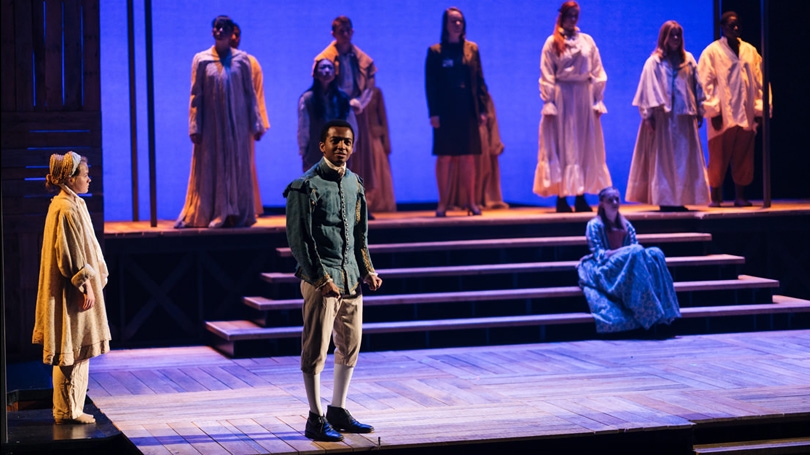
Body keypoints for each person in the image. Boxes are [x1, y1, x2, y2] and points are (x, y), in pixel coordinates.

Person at [284, 120, 383, 442]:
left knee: (350, 345)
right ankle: (314, 417)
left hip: (351, 277)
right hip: (321, 279)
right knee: (316, 348)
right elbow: (300, 240)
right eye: (336, 141)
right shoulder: (305, 185)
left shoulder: (355, 182)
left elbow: (360, 234)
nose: (342, 147)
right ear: (322, 146)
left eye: (347, 142)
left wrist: (368, 270)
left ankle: (337, 409)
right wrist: (320, 278)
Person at [33, 152, 111, 425]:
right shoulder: (64, 208)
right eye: (84, 174)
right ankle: (66, 410)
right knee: (69, 349)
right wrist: (85, 285)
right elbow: (68, 255)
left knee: (78, 349)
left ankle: (73, 408)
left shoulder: (74, 204)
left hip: (78, 289)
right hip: (71, 292)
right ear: (70, 178)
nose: (89, 178)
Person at [175, 15, 266, 228]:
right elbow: (195, 94)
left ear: (231, 32)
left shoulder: (242, 60)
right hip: (212, 126)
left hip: (237, 124)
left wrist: (256, 123)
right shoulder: (202, 59)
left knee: (236, 164)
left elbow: (249, 93)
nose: (220, 31)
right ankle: (212, 212)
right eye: (217, 27)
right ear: (212, 31)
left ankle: (236, 213)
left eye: (224, 28)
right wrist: (194, 126)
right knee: (211, 164)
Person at [533, 1, 611, 213]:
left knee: (583, 145)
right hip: (562, 97)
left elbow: (597, 69)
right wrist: (548, 101)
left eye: (576, 15)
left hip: (583, 97)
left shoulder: (587, 41)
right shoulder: (552, 42)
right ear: (562, 16)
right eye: (569, 15)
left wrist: (597, 98)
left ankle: (580, 195)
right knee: (563, 144)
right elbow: (546, 72)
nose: (573, 19)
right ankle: (561, 197)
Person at [626, 21, 709, 212]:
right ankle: (666, 199)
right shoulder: (654, 62)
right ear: (664, 37)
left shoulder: (688, 60)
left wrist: (699, 110)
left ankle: (681, 198)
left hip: (683, 117)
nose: (675, 39)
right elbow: (647, 91)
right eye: (672, 35)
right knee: (664, 160)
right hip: (663, 118)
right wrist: (647, 116)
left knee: (683, 159)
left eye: (678, 35)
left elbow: (697, 86)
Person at [577, 187, 681, 334]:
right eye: (610, 200)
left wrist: (631, 252)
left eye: (616, 199)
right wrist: (627, 252)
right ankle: (650, 317)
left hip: (629, 264)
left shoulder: (626, 225)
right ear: (601, 203)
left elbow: (634, 248)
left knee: (656, 253)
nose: (614, 202)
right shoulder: (594, 225)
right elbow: (600, 255)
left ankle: (667, 315)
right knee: (636, 251)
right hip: (606, 268)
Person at [697, 11, 768, 207]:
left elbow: (760, 80)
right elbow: (704, 83)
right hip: (724, 114)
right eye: (730, 25)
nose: (735, 28)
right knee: (718, 156)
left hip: (745, 112)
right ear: (722, 27)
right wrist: (714, 111)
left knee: (744, 156)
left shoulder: (750, 51)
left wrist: (759, 110)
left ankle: (740, 196)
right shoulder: (712, 52)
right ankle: (716, 196)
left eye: (737, 25)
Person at [425, 6, 489, 217]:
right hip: (445, 112)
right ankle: (443, 203)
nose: (457, 24)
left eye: (460, 21)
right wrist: (433, 113)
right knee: (444, 157)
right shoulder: (435, 51)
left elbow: (480, 81)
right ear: (445, 24)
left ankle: (471, 202)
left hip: (467, 109)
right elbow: (430, 85)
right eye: (453, 21)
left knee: (468, 157)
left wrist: (482, 109)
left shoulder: (472, 49)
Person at [314, 16, 378, 216]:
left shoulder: (360, 58)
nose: (345, 34)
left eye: (348, 30)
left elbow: (370, 86)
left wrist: (361, 103)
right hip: (333, 113)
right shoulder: (325, 57)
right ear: (333, 33)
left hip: (356, 112)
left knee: (359, 158)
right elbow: (319, 85)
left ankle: (360, 205)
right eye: (340, 30)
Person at [231, 23, 270, 216]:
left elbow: (257, 93)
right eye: (232, 34)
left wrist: (259, 123)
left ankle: (247, 206)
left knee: (245, 163)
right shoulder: (211, 61)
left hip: (244, 121)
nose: (234, 38)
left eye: (237, 34)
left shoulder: (250, 62)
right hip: (221, 121)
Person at [298, 58, 358, 171]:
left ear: (334, 73)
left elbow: (351, 125)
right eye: (322, 67)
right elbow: (303, 128)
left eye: (330, 68)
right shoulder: (307, 99)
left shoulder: (343, 98)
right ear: (315, 74)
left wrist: (351, 149)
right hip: (315, 151)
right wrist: (303, 151)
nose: (326, 71)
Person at [365, 86, 397, 212]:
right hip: (357, 136)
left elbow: (383, 117)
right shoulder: (350, 92)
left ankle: (378, 203)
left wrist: (386, 140)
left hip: (374, 135)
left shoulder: (375, 92)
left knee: (378, 169)